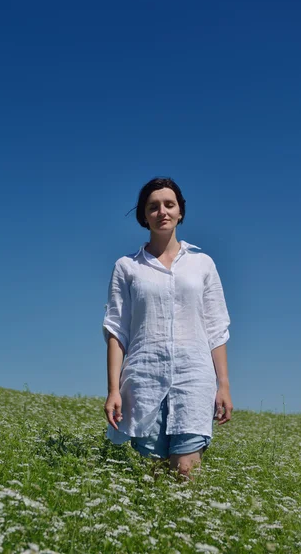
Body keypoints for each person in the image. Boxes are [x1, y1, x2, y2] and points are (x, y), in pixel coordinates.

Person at [102, 177, 233, 481]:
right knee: (153, 477)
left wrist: (223, 385)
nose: (162, 211)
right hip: (144, 381)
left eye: (169, 205)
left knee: (185, 471)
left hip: (194, 378)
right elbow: (116, 331)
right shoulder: (127, 267)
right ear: (144, 216)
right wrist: (112, 390)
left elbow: (216, 328)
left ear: (180, 212)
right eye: (153, 206)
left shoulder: (203, 264)